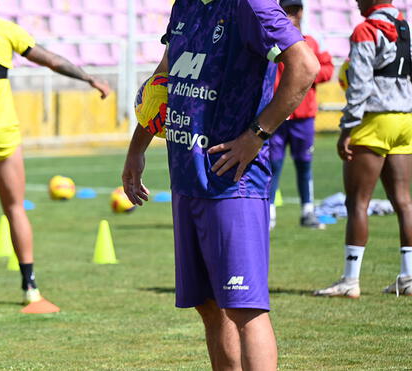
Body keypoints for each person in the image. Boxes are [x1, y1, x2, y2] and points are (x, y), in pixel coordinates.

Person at [122, 0, 319, 369]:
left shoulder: (251, 5)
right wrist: (138, 146)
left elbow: (305, 66)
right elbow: (166, 76)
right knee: (210, 307)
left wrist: (256, 135)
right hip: (187, 177)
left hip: (232, 182)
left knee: (245, 308)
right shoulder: (186, 5)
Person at [0, 0, 111, 309]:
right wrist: (88, 78)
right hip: (2, 134)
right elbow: (50, 60)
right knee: (14, 208)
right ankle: (30, 287)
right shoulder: (4, 29)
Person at [314, 0, 412, 298]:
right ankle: (408, 278)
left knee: (357, 201)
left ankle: (350, 280)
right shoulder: (404, 27)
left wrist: (347, 128)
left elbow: (358, 85)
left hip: (373, 120)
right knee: (404, 202)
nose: (356, 0)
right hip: (405, 120)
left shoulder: (365, 30)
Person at [269, 0, 334, 230]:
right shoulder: (271, 39)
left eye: (294, 10)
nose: (290, 15)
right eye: (286, 10)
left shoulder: (312, 41)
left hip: (303, 116)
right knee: (273, 164)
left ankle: (307, 210)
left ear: (301, 12)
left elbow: (327, 69)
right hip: (275, 115)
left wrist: (305, 74)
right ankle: (269, 213)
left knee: (304, 163)